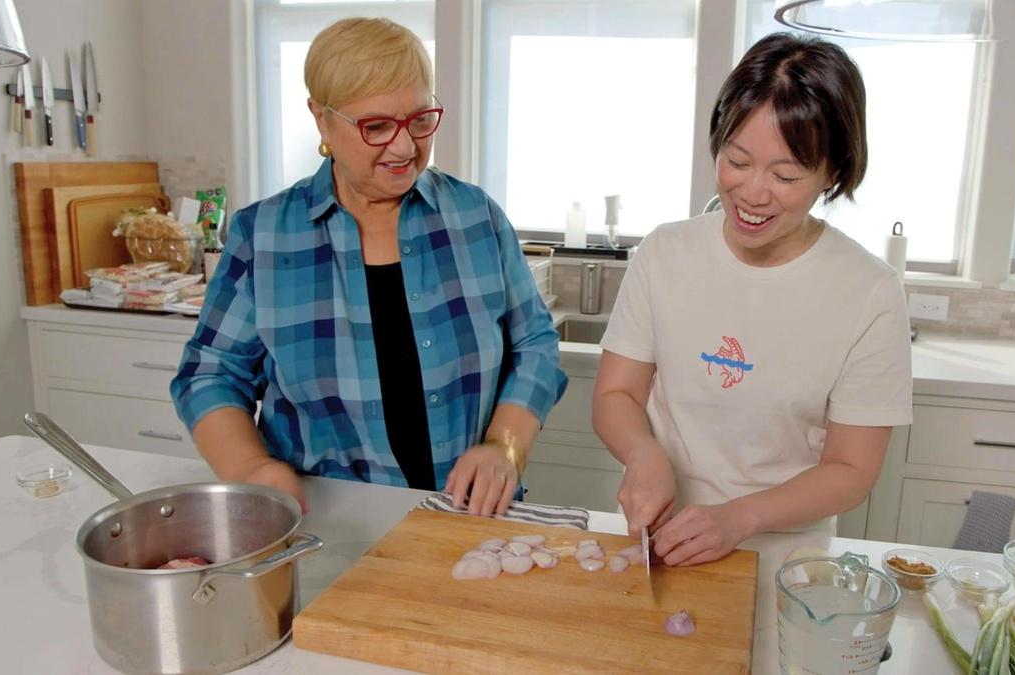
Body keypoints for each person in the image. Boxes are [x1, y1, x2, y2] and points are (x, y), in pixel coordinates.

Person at [171, 17, 566, 517]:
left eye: (421, 120)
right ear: (321, 119)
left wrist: (504, 447)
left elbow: (534, 344)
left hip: (472, 516)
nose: (404, 148)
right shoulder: (264, 236)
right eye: (376, 126)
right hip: (329, 522)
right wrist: (250, 467)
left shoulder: (475, 216)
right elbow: (209, 372)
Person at [592, 33, 912, 567]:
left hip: (786, 559)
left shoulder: (869, 293)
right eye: (737, 161)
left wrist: (739, 517)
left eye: (785, 175)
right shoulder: (665, 253)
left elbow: (851, 471)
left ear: (832, 173)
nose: (754, 193)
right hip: (657, 539)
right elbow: (615, 395)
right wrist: (642, 453)